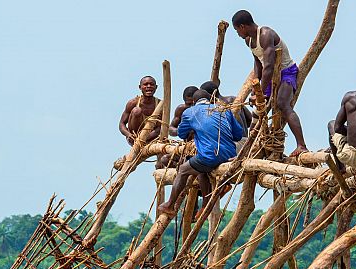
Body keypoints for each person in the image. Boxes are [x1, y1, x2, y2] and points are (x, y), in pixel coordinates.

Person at [232, 10, 307, 157]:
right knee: (258, 112)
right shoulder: (249, 41)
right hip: (270, 77)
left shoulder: (266, 35)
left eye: (237, 30)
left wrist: (260, 91)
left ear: (242, 26)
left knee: (282, 104)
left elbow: (269, 67)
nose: (238, 34)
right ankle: (246, 152)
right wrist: (256, 90)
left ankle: (301, 145)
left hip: (286, 73)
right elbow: (258, 65)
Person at [157, 89, 243, 217]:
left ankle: (170, 205)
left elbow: (182, 134)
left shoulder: (190, 112)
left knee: (183, 170)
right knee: (200, 169)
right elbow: (238, 135)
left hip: (210, 155)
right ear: (210, 100)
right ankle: (205, 205)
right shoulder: (224, 109)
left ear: (193, 102)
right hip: (230, 154)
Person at [119, 76, 161, 146]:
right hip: (134, 138)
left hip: (152, 138)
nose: (149, 86)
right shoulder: (133, 103)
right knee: (137, 110)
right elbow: (121, 124)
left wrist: (146, 137)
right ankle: (137, 138)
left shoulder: (160, 104)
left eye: (151, 84)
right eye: (145, 84)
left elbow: (162, 127)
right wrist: (128, 134)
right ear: (140, 87)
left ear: (156, 87)